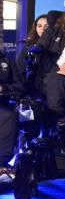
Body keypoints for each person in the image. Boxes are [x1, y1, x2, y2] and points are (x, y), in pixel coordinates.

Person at [0, 47, 24, 184]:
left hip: (3, 106)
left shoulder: (7, 60)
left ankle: (2, 164)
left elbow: (20, 86)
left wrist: (4, 88)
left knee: (9, 116)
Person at [16, 14, 49, 93]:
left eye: (46, 26)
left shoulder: (59, 46)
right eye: (39, 26)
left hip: (52, 83)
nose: (43, 29)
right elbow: (20, 69)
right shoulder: (28, 47)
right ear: (35, 28)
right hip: (32, 85)